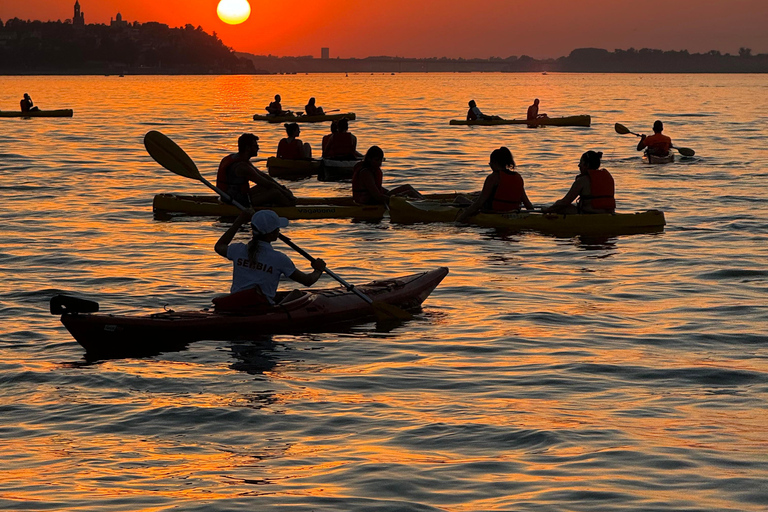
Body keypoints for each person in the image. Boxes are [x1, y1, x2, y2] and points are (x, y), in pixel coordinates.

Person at [214, 209, 326, 305]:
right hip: (261, 308)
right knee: (297, 294)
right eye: (278, 229)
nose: (279, 231)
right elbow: (308, 281)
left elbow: (219, 246)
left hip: (236, 303)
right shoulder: (279, 259)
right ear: (272, 234)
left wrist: (239, 220)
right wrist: (318, 270)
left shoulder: (237, 249)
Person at [215, 133, 296, 207]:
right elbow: (265, 183)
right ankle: (291, 206)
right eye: (255, 146)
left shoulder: (241, 159)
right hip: (235, 202)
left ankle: (282, 201)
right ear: (247, 148)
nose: (258, 148)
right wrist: (285, 193)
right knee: (275, 193)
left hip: (238, 196)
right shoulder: (242, 167)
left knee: (269, 188)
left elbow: (264, 176)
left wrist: (282, 188)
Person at [456, 147, 534, 222]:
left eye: (491, 162)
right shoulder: (518, 177)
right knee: (475, 198)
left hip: (494, 212)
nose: (490, 164)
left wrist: (460, 218)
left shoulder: (493, 177)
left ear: (495, 163)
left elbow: (479, 203)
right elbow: (528, 205)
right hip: (513, 210)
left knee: (459, 198)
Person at [544, 150, 615, 214]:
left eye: (581, 162)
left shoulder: (582, 181)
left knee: (560, 204)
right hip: (607, 213)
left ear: (587, 165)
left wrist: (548, 210)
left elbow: (565, 202)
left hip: (589, 214)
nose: (579, 165)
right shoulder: (608, 177)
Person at [351, 146, 423, 205]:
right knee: (410, 192)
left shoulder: (371, 170)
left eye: (381, 160)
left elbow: (377, 188)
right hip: (367, 203)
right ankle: (424, 203)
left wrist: (394, 194)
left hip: (373, 199)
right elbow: (377, 196)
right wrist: (397, 199)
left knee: (407, 187)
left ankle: (424, 201)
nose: (380, 163)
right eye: (377, 160)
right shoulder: (365, 173)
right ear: (369, 159)